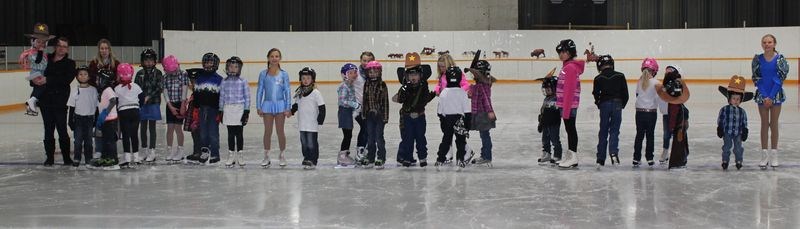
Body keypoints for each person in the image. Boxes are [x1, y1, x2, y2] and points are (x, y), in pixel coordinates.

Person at [751, 34, 790, 168]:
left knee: (773, 124)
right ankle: (764, 155)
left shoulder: (780, 59)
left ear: (774, 44)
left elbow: (780, 78)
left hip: (775, 95)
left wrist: (771, 96)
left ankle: (774, 154)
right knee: (764, 124)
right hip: (762, 95)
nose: (767, 44)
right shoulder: (757, 59)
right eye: (764, 42)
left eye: (769, 42)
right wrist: (765, 95)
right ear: (762, 44)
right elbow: (757, 78)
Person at [393, 52, 435, 167]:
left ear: (420, 75)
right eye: (410, 75)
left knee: (421, 138)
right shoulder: (405, 87)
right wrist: (405, 89)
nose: (413, 77)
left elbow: (424, 99)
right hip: (407, 117)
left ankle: (422, 157)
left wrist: (432, 95)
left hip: (420, 116)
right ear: (406, 77)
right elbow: (400, 99)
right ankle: (407, 157)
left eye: (415, 74)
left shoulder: (423, 85)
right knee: (408, 138)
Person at [40, 37, 76, 166]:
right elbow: (37, 70)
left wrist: (48, 80)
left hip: (60, 101)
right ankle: (49, 157)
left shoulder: (70, 64)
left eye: (64, 46)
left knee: (62, 129)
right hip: (45, 100)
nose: (61, 48)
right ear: (55, 46)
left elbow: (65, 80)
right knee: (48, 129)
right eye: (59, 45)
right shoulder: (46, 59)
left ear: (67, 49)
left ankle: (66, 158)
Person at [256, 48, 292, 168]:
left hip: (281, 106)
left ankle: (282, 155)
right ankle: (266, 156)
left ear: (280, 58)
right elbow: (260, 91)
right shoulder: (263, 74)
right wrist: (258, 106)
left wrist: (288, 107)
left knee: (280, 131)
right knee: (268, 131)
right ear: (268, 58)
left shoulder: (284, 74)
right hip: (267, 106)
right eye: (272, 56)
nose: (274, 58)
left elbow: (287, 91)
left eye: (277, 56)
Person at [185, 53, 223, 165]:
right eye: (206, 62)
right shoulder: (199, 79)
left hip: (213, 110)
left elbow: (221, 96)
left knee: (213, 133)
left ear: (215, 64)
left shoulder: (219, 79)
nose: (208, 64)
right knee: (203, 132)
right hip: (201, 110)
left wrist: (220, 111)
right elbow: (196, 94)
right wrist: (196, 109)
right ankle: (204, 151)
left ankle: (215, 153)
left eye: (211, 62)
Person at [592, 55, 627, 167]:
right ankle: (613, 154)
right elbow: (625, 93)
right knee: (614, 130)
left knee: (603, 131)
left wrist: (599, 103)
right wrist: (622, 104)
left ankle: (600, 158)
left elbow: (596, 94)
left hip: (604, 104)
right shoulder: (620, 76)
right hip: (617, 104)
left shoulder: (598, 78)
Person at [554, 39, 585, 169]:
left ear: (570, 53)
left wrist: (565, 110)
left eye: (564, 52)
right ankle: (570, 155)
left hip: (569, 106)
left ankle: (573, 157)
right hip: (565, 106)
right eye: (560, 52)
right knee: (569, 129)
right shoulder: (567, 66)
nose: (561, 54)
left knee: (571, 130)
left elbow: (569, 91)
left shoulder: (570, 68)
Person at [435, 67, 472, 170]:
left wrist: (442, 122)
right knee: (460, 141)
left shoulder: (444, 93)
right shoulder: (462, 93)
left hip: (447, 120)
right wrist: (467, 124)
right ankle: (460, 159)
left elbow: (440, 111)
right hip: (459, 120)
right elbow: (467, 111)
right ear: (460, 78)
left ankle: (440, 159)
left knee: (446, 140)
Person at [291, 67, 326, 169]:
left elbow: (322, 107)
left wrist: (321, 118)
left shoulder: (316, 93)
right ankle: (306, 158)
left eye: (308, 78)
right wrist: (291, 112)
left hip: (312, 124)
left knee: (311, 143)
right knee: (304, 143)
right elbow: (296, 105)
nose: (305, 80)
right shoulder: (299, 92)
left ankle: (313, 160)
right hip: (302, 123)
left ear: (312, 79)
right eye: (303, 78)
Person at [219, 56, 250, 168]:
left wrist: (246, 111)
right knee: (230, 134)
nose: (233, 69)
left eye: (236, 67)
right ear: (227, 67)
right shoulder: (224, 81)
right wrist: (221, 110)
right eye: (231, 66)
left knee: (239, 133)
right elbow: (222, 96)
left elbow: (247, 97)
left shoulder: (243, 81)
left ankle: (240, 154)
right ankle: (231, 155)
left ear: (239, 68)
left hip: (239, 109)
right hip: (228, 109)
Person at [716, 75, 753, 170]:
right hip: (727, 132)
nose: (736, 101)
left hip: (738, 133)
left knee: (738, 148)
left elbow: (744, 121)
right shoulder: (724, 109)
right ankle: (725, 161)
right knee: (726, 147)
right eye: (734, 98)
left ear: (741, 100)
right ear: (729, 98)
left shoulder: (742, 111)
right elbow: (721, 119)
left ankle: (739, 161)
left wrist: (745, 130)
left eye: (738, 99)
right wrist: (720, 128)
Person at [19, 23, 56, 116]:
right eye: (38, 42)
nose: (41, 44)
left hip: (39, 73)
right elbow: (38, 61)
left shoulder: (42, 52)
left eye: (43, 42)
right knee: (42, 86)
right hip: (37, 73)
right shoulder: (32, 53)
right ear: (33, 42)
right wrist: (40, 51)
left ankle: (30, 105)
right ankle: (32, 100)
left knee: (38, 89)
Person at [135, 49, 164, 163]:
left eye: (151, 60)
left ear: (154, 61)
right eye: (146, 60)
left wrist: (149, 96)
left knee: (152, 127)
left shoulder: (158, 73)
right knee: (142, 127)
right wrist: (142, 98)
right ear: (142, 61)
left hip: (153, 103)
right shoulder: (139, 74)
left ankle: (152, 151)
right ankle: (144, 150)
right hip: (142, 104)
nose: (148, 63)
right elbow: (136, 88)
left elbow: (159, 87)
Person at [359, 61, 389, 169]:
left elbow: (385, 101)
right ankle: (370, 157)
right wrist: (364, 114)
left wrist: (385, 117)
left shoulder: (382, 84)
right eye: (370, 72)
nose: (372, 74)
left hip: (380, 116)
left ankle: (381, 157)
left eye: (375, 72)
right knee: (370, 137)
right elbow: (364, 100)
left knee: (379, 137)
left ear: (379, 72)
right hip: (369, 116)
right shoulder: (366, 84)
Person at [466, 60, 497, 167]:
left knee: (485, 135)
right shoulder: (480, 85)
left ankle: (486, 156)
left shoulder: (482, 86)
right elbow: (474, 95)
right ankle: (485, 155)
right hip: (480, 113)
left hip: (483, 114)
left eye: (474, 73)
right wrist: (471, 91)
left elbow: (486, 99)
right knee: (484, 135)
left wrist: (490, 111)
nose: (473, 75)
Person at [67, 65, 98, 167]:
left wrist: (96, 119)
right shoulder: (74, 89)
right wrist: (70, 120)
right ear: (77, 76)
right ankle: (77, 158)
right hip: (78, 119)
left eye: (85, 74)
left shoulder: (93, 90)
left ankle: (88, 158)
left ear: (89, 77)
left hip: (89, 119)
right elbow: (71, 106)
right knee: (78, 141)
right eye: (80, 74)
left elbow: (96, 106)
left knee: (89, 141)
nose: (83, 76)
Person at [161, 55, 189, 162]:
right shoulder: (164, 77)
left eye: (173, 71)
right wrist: (170, 106)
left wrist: (182, 105)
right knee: (170, 128)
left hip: (180, 103)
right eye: (170, 72)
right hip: (170, 105)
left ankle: (180, 150)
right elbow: (165, 92)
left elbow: (185, 90)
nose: (172, 73)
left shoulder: (183, 74)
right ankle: (169, 150)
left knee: (178, 128)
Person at [633, 58, 660, 167]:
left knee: (639, 135)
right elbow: (659, 98)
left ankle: (636, 158)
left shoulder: (639, 82)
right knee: (650, 135)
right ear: (654, 71)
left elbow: (637, 95)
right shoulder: (656, 83)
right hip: (651, 113)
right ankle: (649, 158)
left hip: (639, 113)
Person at [114, 63, 143, 168]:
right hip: (135, 111)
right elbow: (142, 99)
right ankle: (135, 157)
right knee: (134, 134)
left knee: (125, 135)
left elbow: (115, 102)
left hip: (123, 112)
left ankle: (126, 157)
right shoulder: (136, 86)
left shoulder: (117, 88)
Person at [336, 63, 360, 166]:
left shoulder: (350, 85)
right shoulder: (344, 86)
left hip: (348, 111)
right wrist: (354, 104)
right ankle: (342, 156)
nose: (353, 75)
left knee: (348, 134)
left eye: (354, 72)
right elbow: (342, 101)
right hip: (344, 112)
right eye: (350, 73)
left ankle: (344, 154)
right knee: (347, 135)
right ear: (344, 74)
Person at [536, 75, 562, 165]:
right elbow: (543, 111)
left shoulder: (557, 99)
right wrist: (540, 122)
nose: (547, 91)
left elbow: (558, 112)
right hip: (545, 123)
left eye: (549, 89)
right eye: (545, 89)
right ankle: (546, 153)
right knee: (545, 139)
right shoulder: (546, 99)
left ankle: (557, 155)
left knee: (555, 139)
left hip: (554, 123)